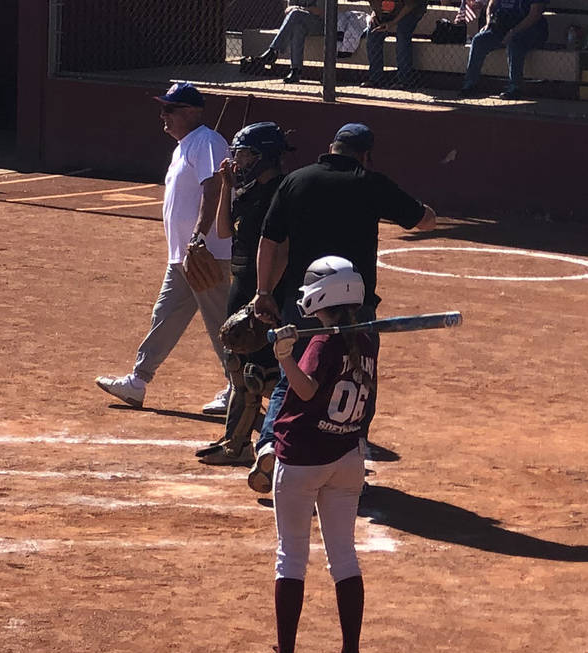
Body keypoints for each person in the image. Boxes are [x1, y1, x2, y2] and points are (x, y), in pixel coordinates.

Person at [247, 122, 436, 494]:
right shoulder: (369, 182)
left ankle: (270, 443)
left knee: (292, 375)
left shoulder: (296, 181)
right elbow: (422, 219)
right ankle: (350, 451)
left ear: (331, 147)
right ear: (365, 154)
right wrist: (429, 211)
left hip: (303, 301)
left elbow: (270, 240)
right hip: (354, 305)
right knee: (357, 374)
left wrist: (263, 291)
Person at [257, 257, 377, 653]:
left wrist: (284, 356)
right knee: (344, 555)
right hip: (347, 457)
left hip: (303, 458)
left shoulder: (323, 342)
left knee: (291, 555)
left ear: (322, 293)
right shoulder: (364, 340)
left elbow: (305, 390)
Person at [96, 82, 232, 415]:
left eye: (169, 110)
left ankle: (239, 387)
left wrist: (200, 234)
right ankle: (138, 382)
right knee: (164, 318)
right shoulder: (183, 146)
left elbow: (214, 187)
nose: (163, 116)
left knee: (221, 324)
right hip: (183, 256)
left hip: (207, 252)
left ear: (190, 112)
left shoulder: (208, 142)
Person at [196, 122, 292, 466]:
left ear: (265, 156)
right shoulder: (247, 190)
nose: (239, 160)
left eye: (246, 154)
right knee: (239, 364)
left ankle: (269, 444)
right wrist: (228, 188)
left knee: (259, 373)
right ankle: (237, 443)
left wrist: (263, 295)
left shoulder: (281, 193)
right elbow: (224, 230)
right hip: (242, 283)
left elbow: (282, 249)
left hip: (263, 290)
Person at [458, 0, 549, 100]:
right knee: (478, 40)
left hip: (530, 30)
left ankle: (515, 87)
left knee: (515, 43)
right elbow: (491, 5)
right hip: (502, 28)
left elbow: (535, 14)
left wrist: (513, 32)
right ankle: (469, 85)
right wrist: (489, 23)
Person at [242, 1, 324, 84]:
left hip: (317, 24)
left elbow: (319, 11)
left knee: (295, 13)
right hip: (299, 23)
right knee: (297, 30)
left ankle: (273, 50)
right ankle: (295, 71)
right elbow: (287, 10)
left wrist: (300, 9)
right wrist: (296, 9)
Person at [361, 0, 428, 88]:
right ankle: (375, 78)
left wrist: (392, 23)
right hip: (392, 9)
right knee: (373, 30)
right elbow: (375, 4)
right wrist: (376, 14)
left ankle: (405, 81)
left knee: (402, 32)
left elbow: (410, 5)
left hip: (412, 9)